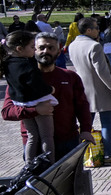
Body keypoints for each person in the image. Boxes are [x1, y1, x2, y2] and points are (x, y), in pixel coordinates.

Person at [2, 32, 92, 161]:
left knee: (72, 180)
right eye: (41, 48)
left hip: (68, 141)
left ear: (59, 51)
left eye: (51, 48)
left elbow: (82, 106)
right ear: (34, 49)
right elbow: (7, 112)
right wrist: (36, 110)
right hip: (35, 145)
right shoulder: (21, 79)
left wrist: (86, 130)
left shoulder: (70, 77)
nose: (46, 51)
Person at [67, 17, 111, 164]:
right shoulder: (94, 46)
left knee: (86, 124)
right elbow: (102, 72)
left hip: (83, 89)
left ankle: (82, 154)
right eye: (97, 28)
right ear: (88, 30)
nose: (99, 30)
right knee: (106, 124)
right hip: (101, 90)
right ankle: (109, 155)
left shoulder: (72, 45)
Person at [2, 30, 57, 164]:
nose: (35, 50)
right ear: (20, 49)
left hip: (21, 102)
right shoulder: (26, 66)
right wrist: (50, 89)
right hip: (38, 100)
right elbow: (36, 84)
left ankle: (29, 164)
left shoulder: (8, 63)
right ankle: (50, 164)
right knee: (47, 137)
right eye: (33, 47)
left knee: (32, 136)